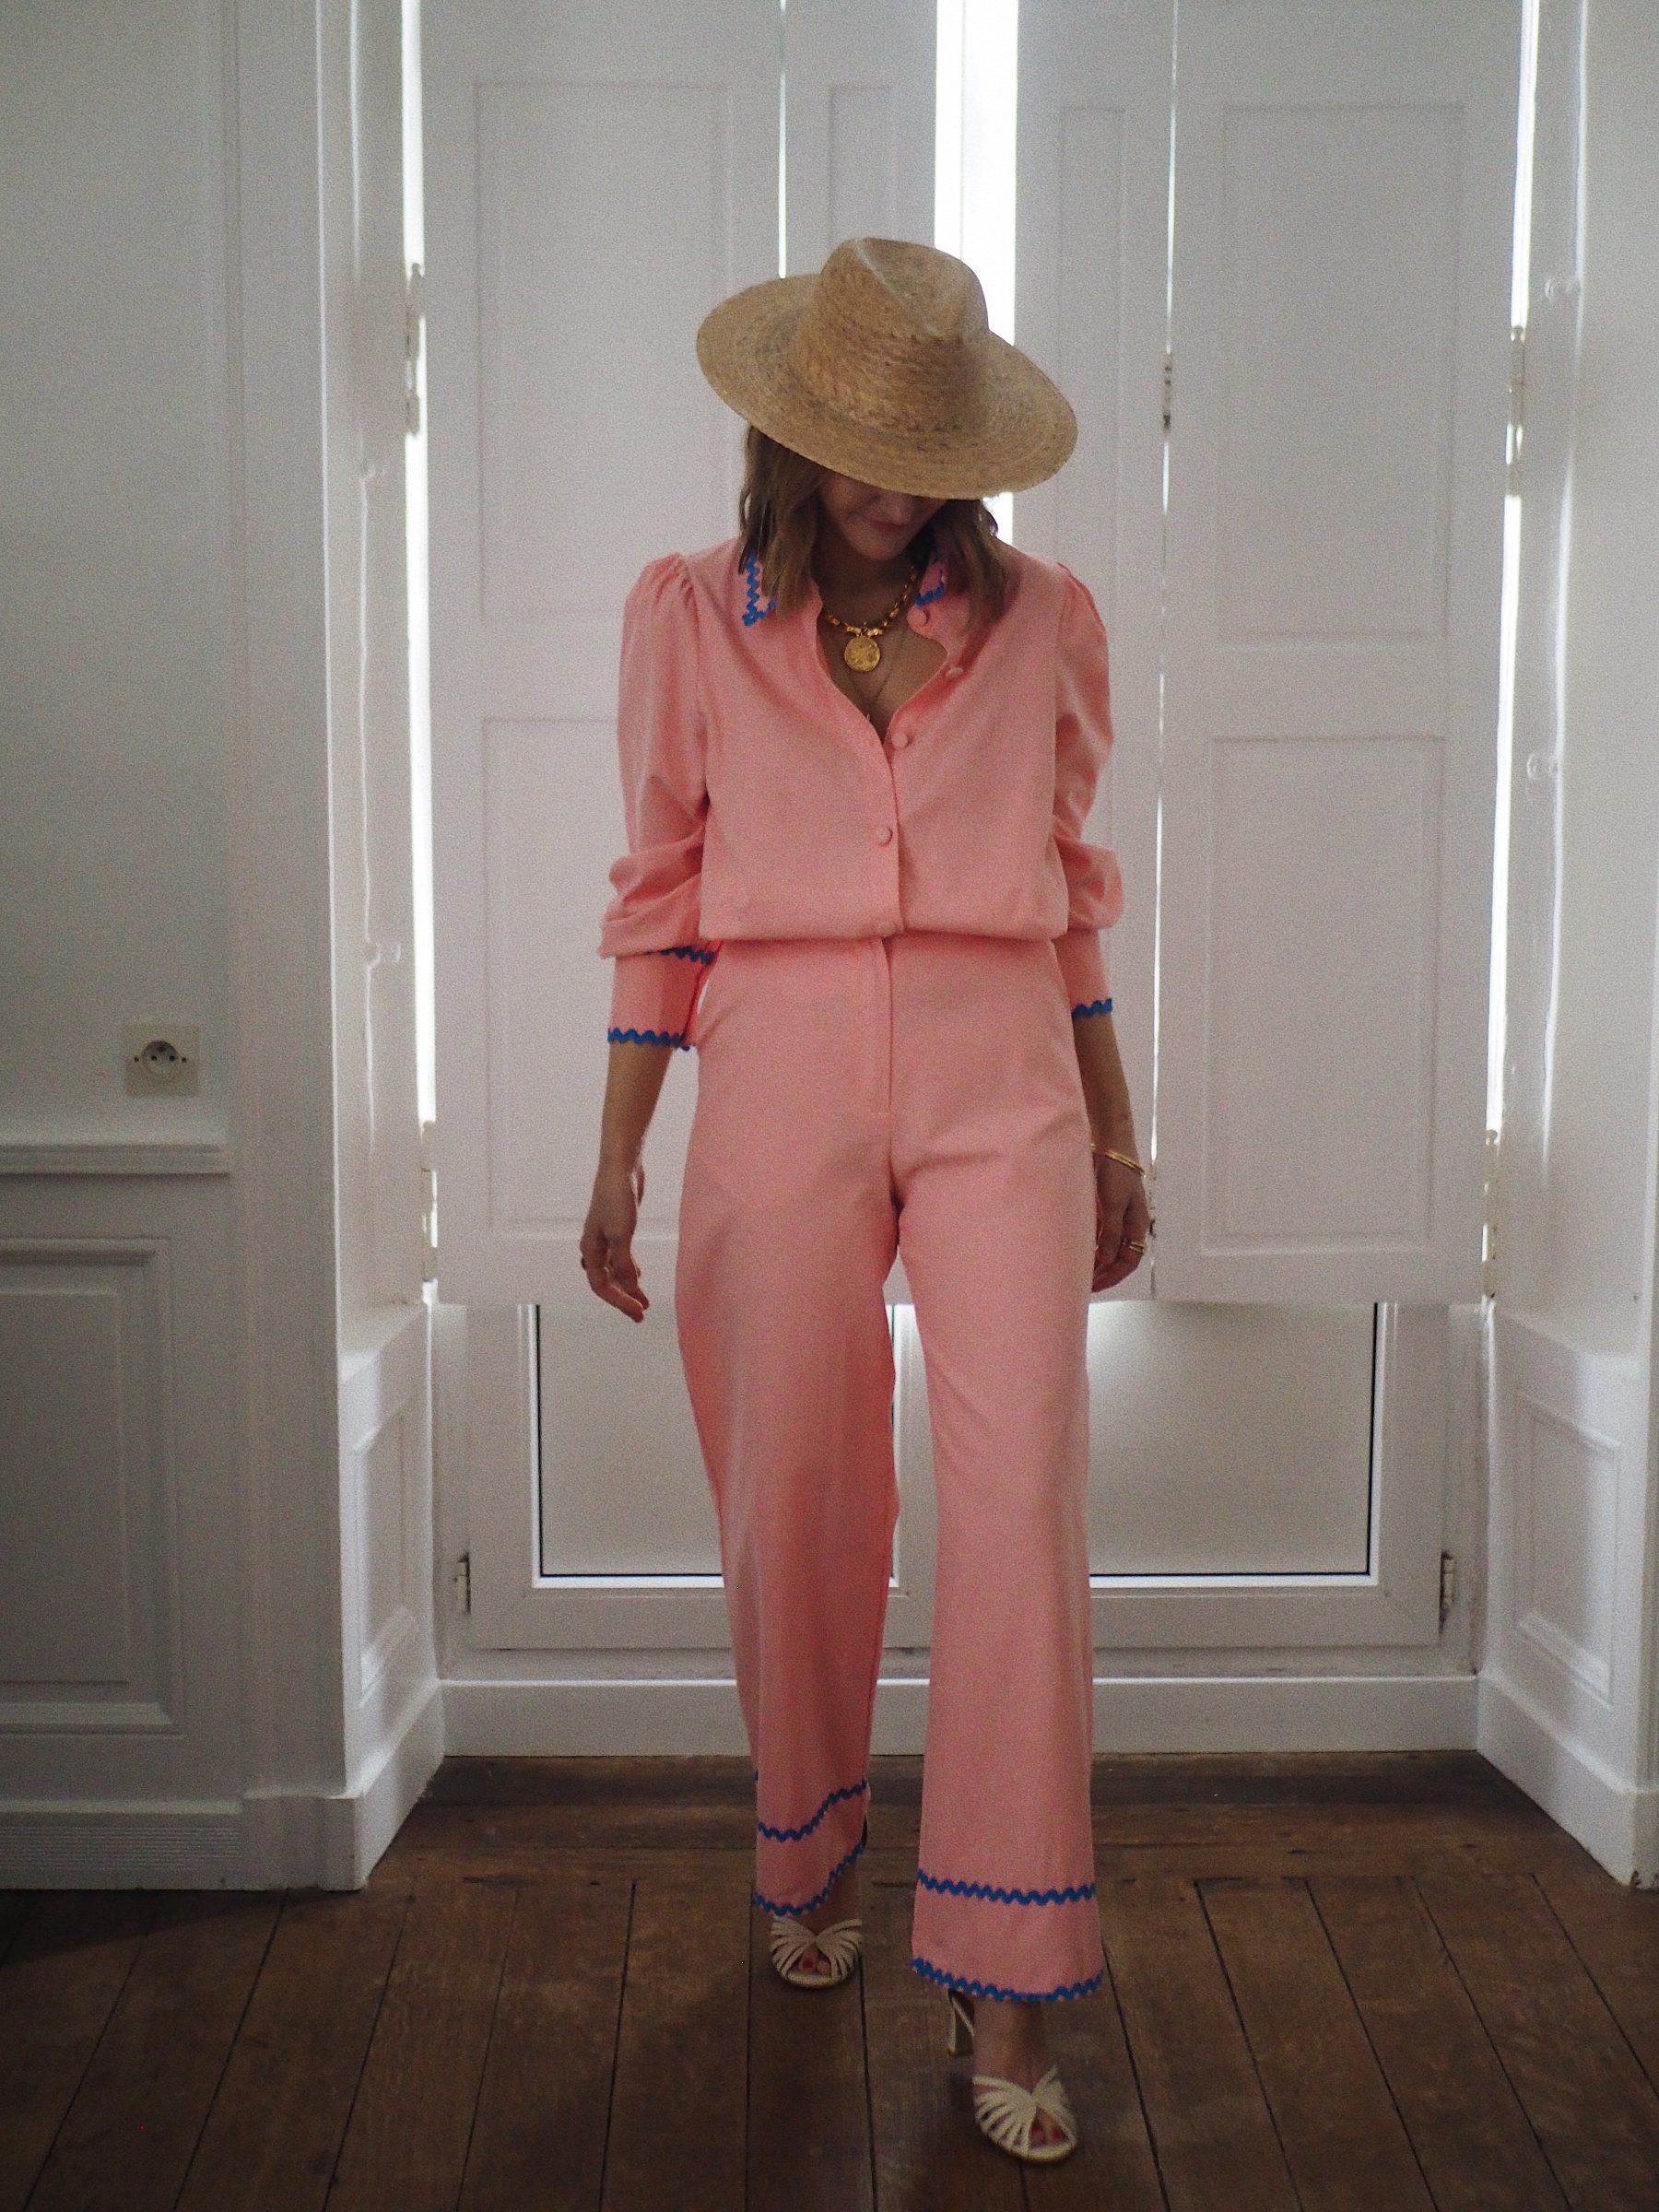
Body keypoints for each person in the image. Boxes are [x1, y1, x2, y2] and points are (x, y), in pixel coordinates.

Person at [580, 236, 1150, 2166]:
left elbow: (1071, 894)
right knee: (795, 1493)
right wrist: (618, 1148)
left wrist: (1118, 1135)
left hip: (1003, 1073)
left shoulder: (1045, 619)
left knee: (1018, 1511)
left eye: (922, 454)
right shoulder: (690, 616)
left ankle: (1010, 1971)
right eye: (855, 446)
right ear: (789, 428)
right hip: (779, 1068)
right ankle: (806, 1850)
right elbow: (662, 893)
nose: (887, 487)